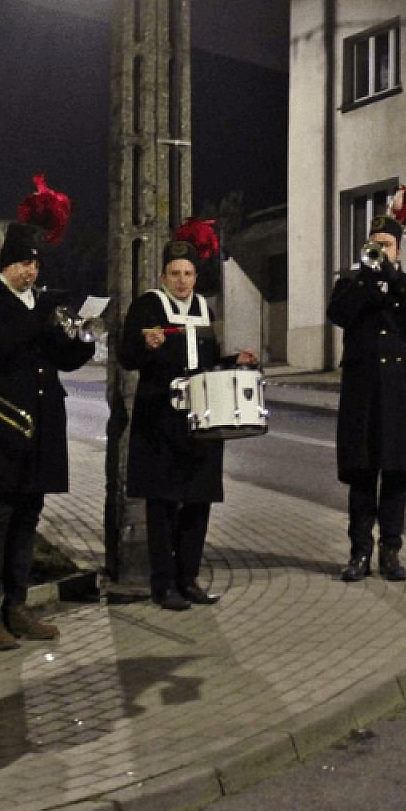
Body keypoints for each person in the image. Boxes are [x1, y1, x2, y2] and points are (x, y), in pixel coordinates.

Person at [0, 209, 96, 650]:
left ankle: (17, 606)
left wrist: (84, 338)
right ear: (6, 263)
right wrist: (39, 315)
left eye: (36, 264)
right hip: (5, 423)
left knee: (27, 517)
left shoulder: (36, 305)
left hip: (41, 423)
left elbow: (63, 357)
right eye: (24, 263)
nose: (31, 271)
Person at [118, 236, 257, 610]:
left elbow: (207, 362)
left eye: (189, 273)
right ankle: (162, 584)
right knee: (162, 506)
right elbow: (126, 357)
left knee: (198, 501)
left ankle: (188, 578)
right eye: (175, 273)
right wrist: (144, 344)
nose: (182, 280)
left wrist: (235, 362)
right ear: (163, 275)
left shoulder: (204, 309)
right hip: (160, 420)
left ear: (196, 276)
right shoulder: (148, 305)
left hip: (201, 420)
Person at [328, 206, 406, 582]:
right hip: (363, 396)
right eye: (375, 244)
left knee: (396, 476)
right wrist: (368, 280)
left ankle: (390, 552)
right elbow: (338, 313)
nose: (381, 250)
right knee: (362, 477)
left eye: (387, 245)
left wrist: (394, 280)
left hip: (400, 397)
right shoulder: (350, 286)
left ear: (399, 250)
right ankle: (359, 553)